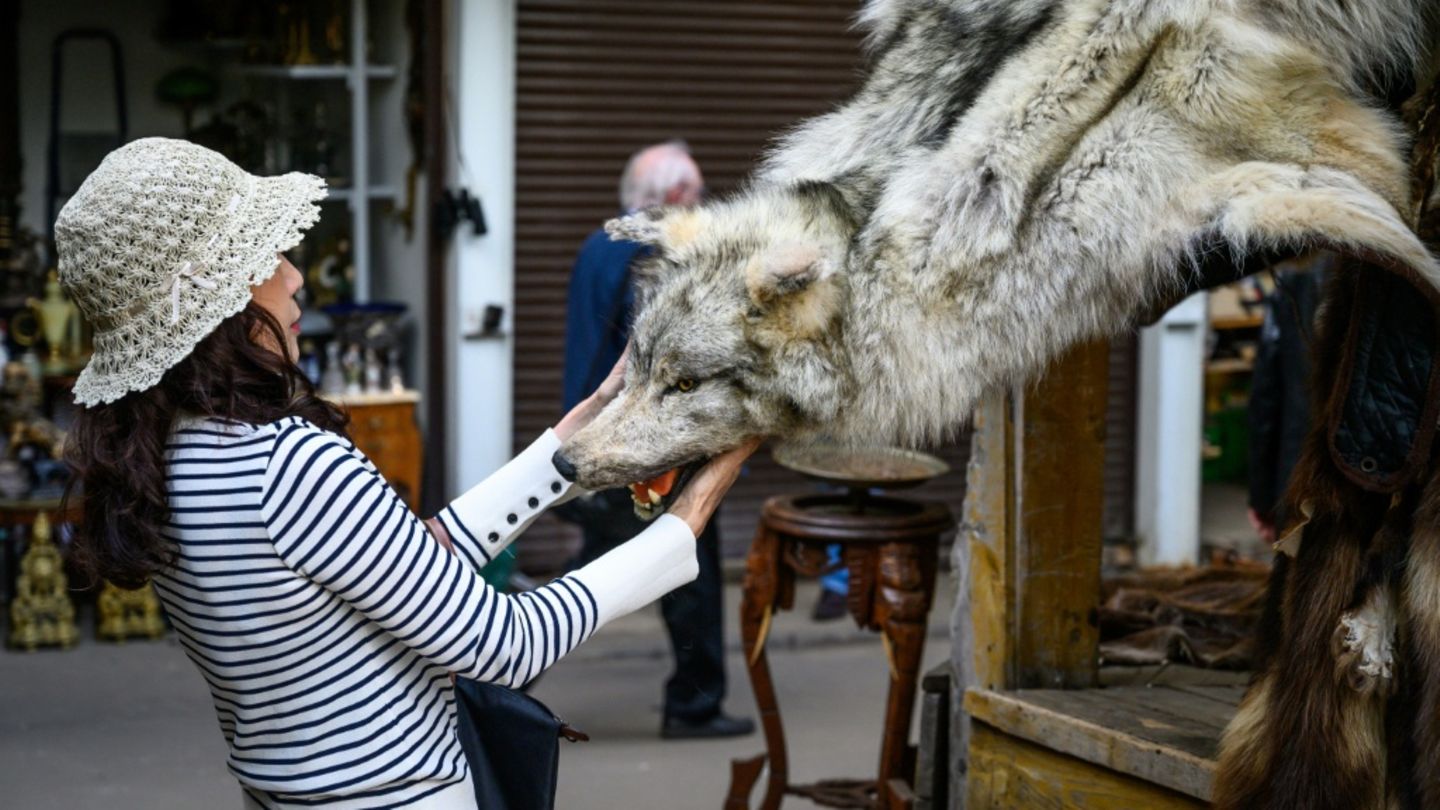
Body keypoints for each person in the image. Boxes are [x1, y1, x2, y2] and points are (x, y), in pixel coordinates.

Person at [55, 137, 758, 809]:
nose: (296, 275)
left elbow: (415, 556)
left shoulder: (165, 463)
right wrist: (683, 526)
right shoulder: (288, 465)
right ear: (219, 301)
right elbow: (504, 644)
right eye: (266, 255)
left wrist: (570, 444)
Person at [560, 141, 753, 739]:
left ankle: (489, 681)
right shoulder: (656, 256)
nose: (704, 204)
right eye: (695, 193)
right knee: (684, 574)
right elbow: (667, 359)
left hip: (601, 434)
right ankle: (694, 706)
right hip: (647, 447)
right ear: (671, 198)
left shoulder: (599, 246)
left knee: (598, 570)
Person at [1247, 251, 1334, 543]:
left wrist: (1262, 497)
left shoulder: (1296, 271)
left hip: (1299, 477)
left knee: (1297, 581)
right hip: (1382, 483)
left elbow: (1266, 392)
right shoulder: (1396, 265)